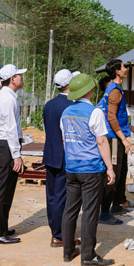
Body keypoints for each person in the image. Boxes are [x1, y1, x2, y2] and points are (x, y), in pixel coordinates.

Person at [60, 73, 116, 266]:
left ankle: (68, 251)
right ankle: (88, 256)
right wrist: (109, 167)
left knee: (70, 209)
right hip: (91, 168)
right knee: (90, 212)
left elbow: (65, 141)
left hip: (72, 167)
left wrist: (71, 161)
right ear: (90, 91)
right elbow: (101, 141)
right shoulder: (94, 112)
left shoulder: (66, 113)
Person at [96, 59, 134, 224]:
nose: (126, 69)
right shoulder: (114, 90)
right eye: (123, 67)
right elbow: (111, 116)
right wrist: (124, 139)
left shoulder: (116, 89)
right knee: (113, 174)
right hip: (113, 138)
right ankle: (104, 212)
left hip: (117, 136)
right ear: (118, 72)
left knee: (121, 172)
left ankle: (116, 205)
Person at [0, 63, 26, 244]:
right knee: (2, 189)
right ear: (12, 79)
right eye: (19, 75)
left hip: (4, 145)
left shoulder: (5, 95)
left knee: (5, 188)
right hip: (5, 146)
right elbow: (10, 129)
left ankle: (2, 227)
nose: (21, 78)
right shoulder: (7, 98)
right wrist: (16, 154)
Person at [42, 69, 79, 247]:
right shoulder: (71, 106)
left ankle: (55, 231)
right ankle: (60, 235)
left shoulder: (49, 104)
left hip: (50, 155)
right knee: (62, 197)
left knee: (51, 195)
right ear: (69, 84)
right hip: (65, 156)